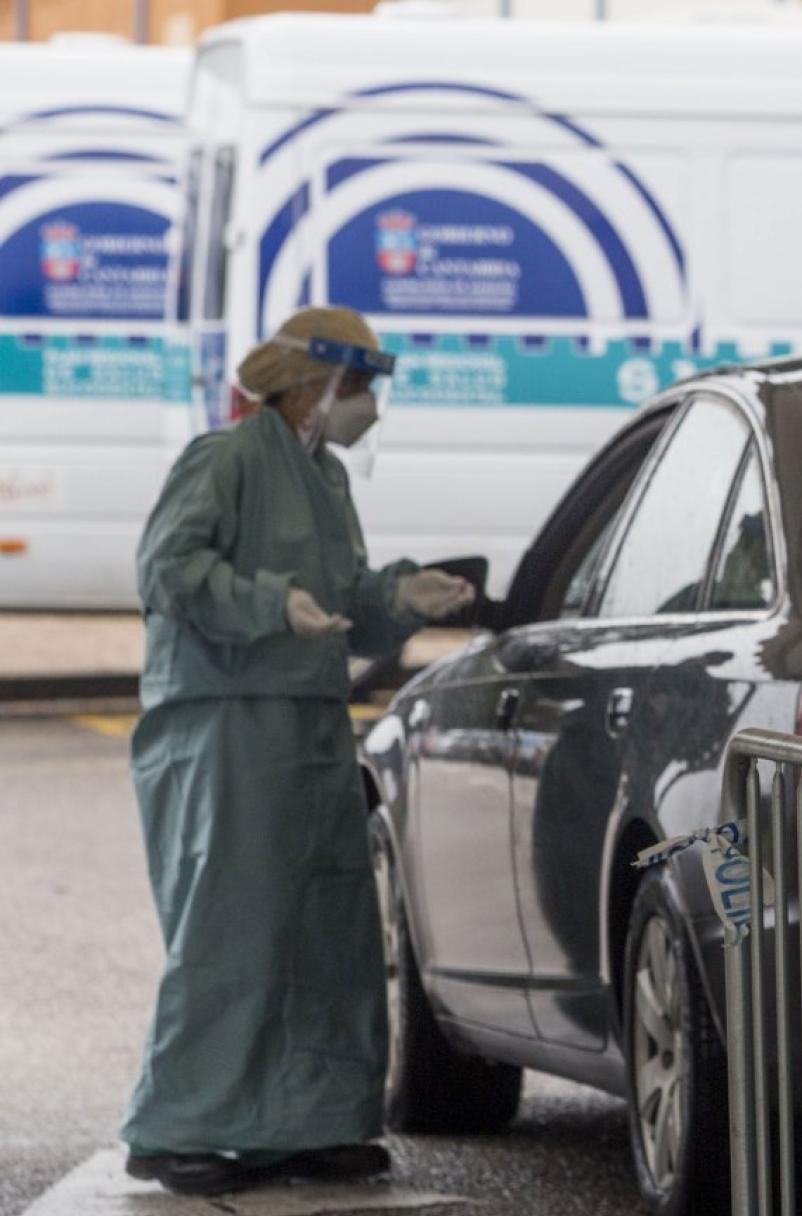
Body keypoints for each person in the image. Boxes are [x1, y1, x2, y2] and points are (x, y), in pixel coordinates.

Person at [122, 307, 476, 1195]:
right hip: (226, 724)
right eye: (360, 385)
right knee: (233, 930)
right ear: (313, 382)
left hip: (308, 725)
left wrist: (403, 594)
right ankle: (178, 1124)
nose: (369, 406)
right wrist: (268, 604)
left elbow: (345, 595)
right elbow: (168, 570)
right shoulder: (226, 459)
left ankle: (307, 1121)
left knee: (324, 930)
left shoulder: (325, 481)